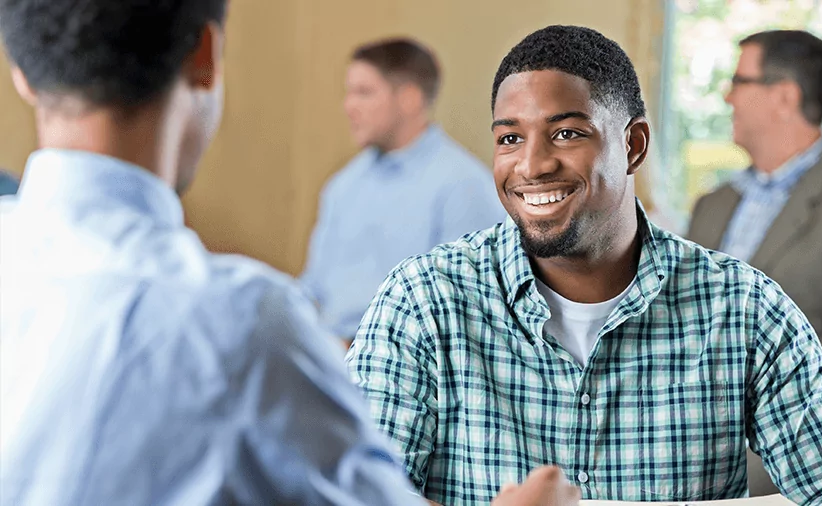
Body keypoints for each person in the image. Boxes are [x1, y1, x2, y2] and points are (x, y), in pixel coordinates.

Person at [0, 1, 578, 505]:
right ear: (206, 55)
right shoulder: (239, 323)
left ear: (21, 71)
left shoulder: (460, 187)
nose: (349, 106)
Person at [347, 25, 822, 505]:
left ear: (633, 144)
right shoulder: (421, 302)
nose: (532, 164)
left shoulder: (746, 309)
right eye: (510, 138)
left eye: (567, 133)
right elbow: (349, 495)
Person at [687, 30, 822, 494]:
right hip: (691, 425)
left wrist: (731, 404)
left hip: (800, 435)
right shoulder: (712, 205)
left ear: (783, 96)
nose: (727, 95)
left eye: (739, 81)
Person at [299, 37, 506, 344]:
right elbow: (311, 292)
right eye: (349, 93)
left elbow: (466, 316)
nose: (348, 106)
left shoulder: (464, 188)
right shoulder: (343, 186)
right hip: (327, 361)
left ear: (410, 98)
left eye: (364, 93)